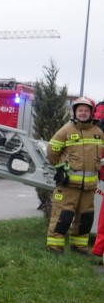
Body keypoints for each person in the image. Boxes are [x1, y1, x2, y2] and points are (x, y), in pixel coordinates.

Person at [46, 96, 104, 254]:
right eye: (80, 110)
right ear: (75, 112)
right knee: (62, 217)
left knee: (85, 218)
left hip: (89, 186)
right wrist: (60, 167)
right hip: (68, 184)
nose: (83, 113)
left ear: (91, 113)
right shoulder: (66, 130)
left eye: (86, 110)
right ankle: (55, 247)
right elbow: (52, 152)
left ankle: (79, 247)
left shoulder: (98, 132)